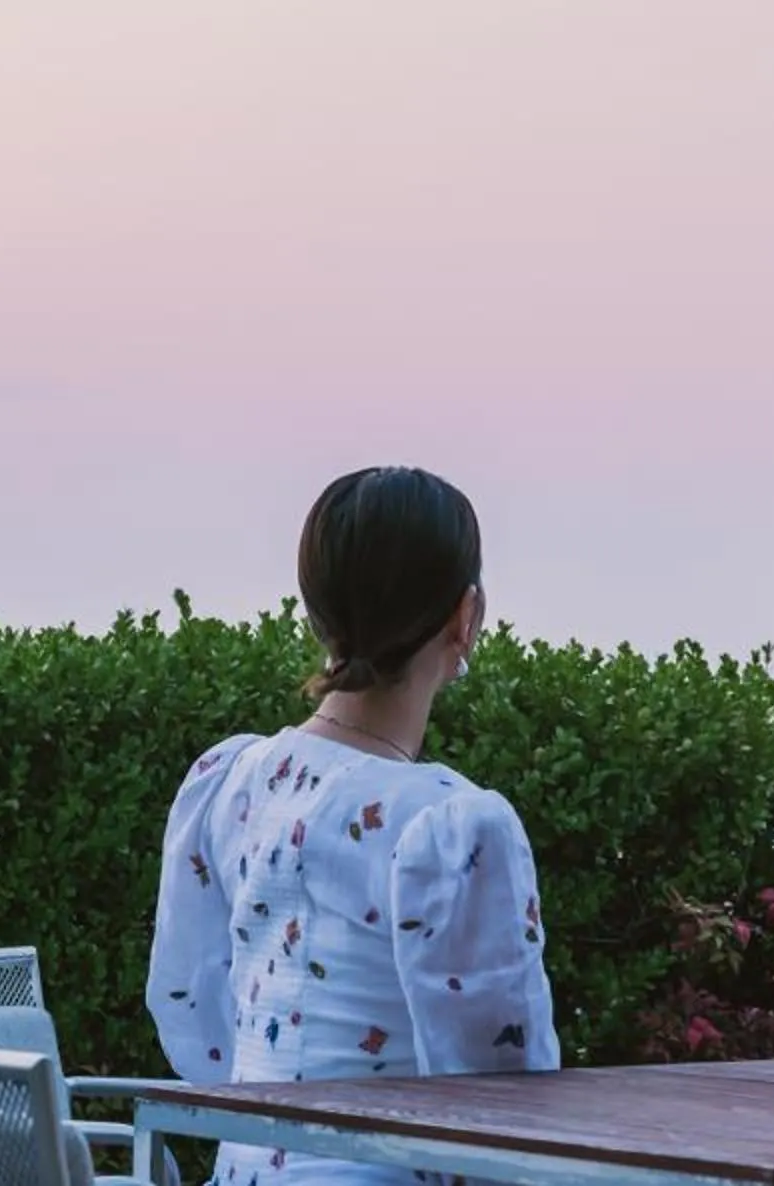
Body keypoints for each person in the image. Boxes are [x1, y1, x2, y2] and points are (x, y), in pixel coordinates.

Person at [148, 465, 559, 1186]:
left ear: (317, 615)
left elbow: (190, 1014)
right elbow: (504, 1102)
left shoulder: (231, 782)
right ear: (466, 619)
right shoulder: (449, 827)